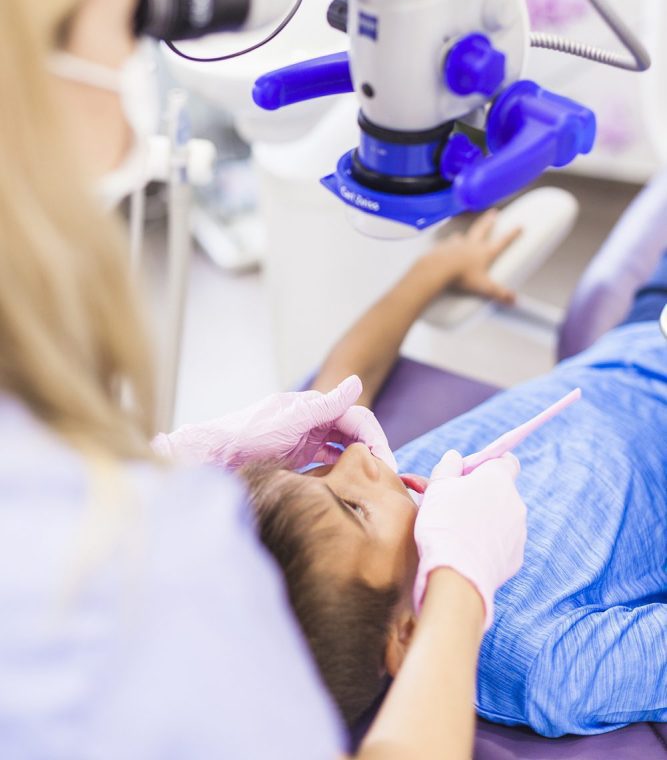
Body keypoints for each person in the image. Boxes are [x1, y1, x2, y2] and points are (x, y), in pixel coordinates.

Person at [0, 0, 527, 760]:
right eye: (121, 41)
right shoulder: (165, 578)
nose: (126, 107)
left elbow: (328, 389)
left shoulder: (209, 517)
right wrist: (461, 587)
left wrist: (419, 280)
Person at [242, 230, 667, 739]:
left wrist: (433, 270)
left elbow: (341, 383)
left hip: (640, 330)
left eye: (314, 472)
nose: (356, 458)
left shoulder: (399, 491)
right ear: (404, 633)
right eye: (355, 509)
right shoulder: (544, 664)